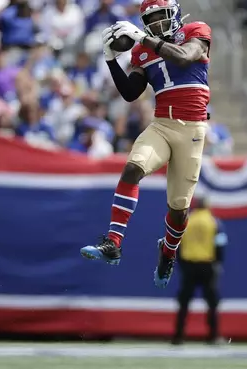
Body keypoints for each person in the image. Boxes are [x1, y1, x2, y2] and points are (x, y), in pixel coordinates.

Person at [80, 0, 212, 289]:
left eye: (160, 17)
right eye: (150, 20)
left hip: (192, 130)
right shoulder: (142, 51)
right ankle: (113, 243)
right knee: (132, 169)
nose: (156, 24)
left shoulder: (195, 31)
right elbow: (130, 93)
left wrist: (145, 39)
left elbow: (184, 57)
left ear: (175, 14)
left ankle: (168, 251)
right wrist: (110, 59)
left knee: (179, 209)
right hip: (162, 124)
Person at [172, 195, 227, 345]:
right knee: (212, 302)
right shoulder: (214, 222)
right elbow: (220, 243)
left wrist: (181, 263)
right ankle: (213, 335)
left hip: (189, 265)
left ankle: (178, 335)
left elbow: (177, 243)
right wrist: (218, 263)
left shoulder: (187, 221)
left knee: (184, 301)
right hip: (207, 265)